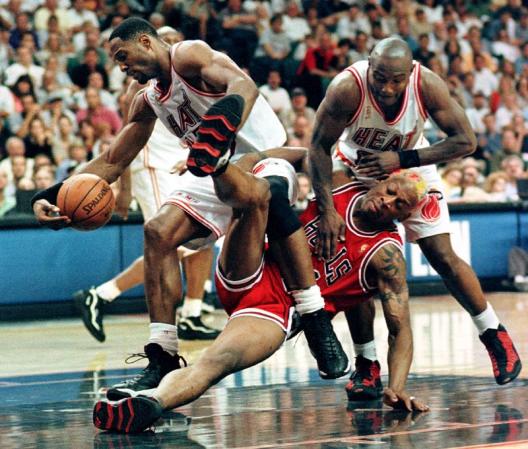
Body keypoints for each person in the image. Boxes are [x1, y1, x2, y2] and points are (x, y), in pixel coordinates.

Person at [32, 17, 348, 400]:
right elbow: (112, 161)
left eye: (122, 56)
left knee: (268, 193)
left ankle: (314, 316)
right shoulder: (147, 99)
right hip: (208, 165)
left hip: (263, 156)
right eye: (117, 62)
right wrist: (48, 194)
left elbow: (243, 85)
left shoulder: (188, 54)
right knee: (158, 231)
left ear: (146, 42)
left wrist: (221, 124)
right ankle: (163, 354)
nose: (121, 67)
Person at [92, 161, 430, 434]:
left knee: (216, 362)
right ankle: (217, 160)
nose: (387, 202)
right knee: (265, 184)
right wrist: (217, 165)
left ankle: (148, 403)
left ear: (402, 218)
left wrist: (397, 384)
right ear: (381, 181)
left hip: (274, 311)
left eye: (398, 205)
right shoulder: (338, 182)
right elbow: (303, 149)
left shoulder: (387, 256)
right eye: (389, 192)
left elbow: (400, 328)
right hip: (251, 265)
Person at [308, 36, 522, 395]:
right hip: (358, 168)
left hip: (411, 166)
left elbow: (466, 141)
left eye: (396, 79)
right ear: (369, 67)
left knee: (441, 255)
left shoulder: (427, 86)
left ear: (410, 73)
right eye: (380, 77)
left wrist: (402, 159)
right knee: (359, 263)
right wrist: (326, 207)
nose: (387, 87)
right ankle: (367, 363)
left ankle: (493, 333)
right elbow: (317, 146)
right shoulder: (348, 87)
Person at [72, 26, 221, 344]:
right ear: (149, 42)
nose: (174, 44)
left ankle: (192, 314)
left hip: (181, 164)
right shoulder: (138, 88)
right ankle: (100, 295)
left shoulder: (187, 75)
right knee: (170, 240)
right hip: (152, 167)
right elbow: (125, 144)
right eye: (168, 38)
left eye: (177, 39)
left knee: (203, 235)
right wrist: (124, 189)